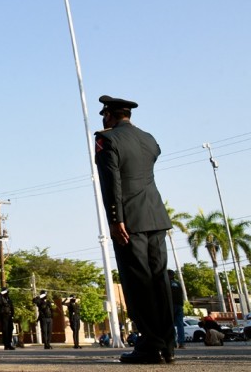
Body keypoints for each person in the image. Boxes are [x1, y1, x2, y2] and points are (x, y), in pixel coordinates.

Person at [95, 95, 175, 364]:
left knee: (139, 284)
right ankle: (167, 344)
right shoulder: (149, 139)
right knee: (159, 281)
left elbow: (111, 183)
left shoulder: (107, 140)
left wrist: (116, 219)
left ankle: (149, 346)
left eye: (104, 114)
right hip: (155, 216)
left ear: (109, 115)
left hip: (130, 220)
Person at [168, 270, 186, 349]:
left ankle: (172, 342)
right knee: (180, 324)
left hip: (171, 305)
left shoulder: (167, 283)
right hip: (179, 305)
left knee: (170, 324)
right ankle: (181, 343)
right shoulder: (178, 284)